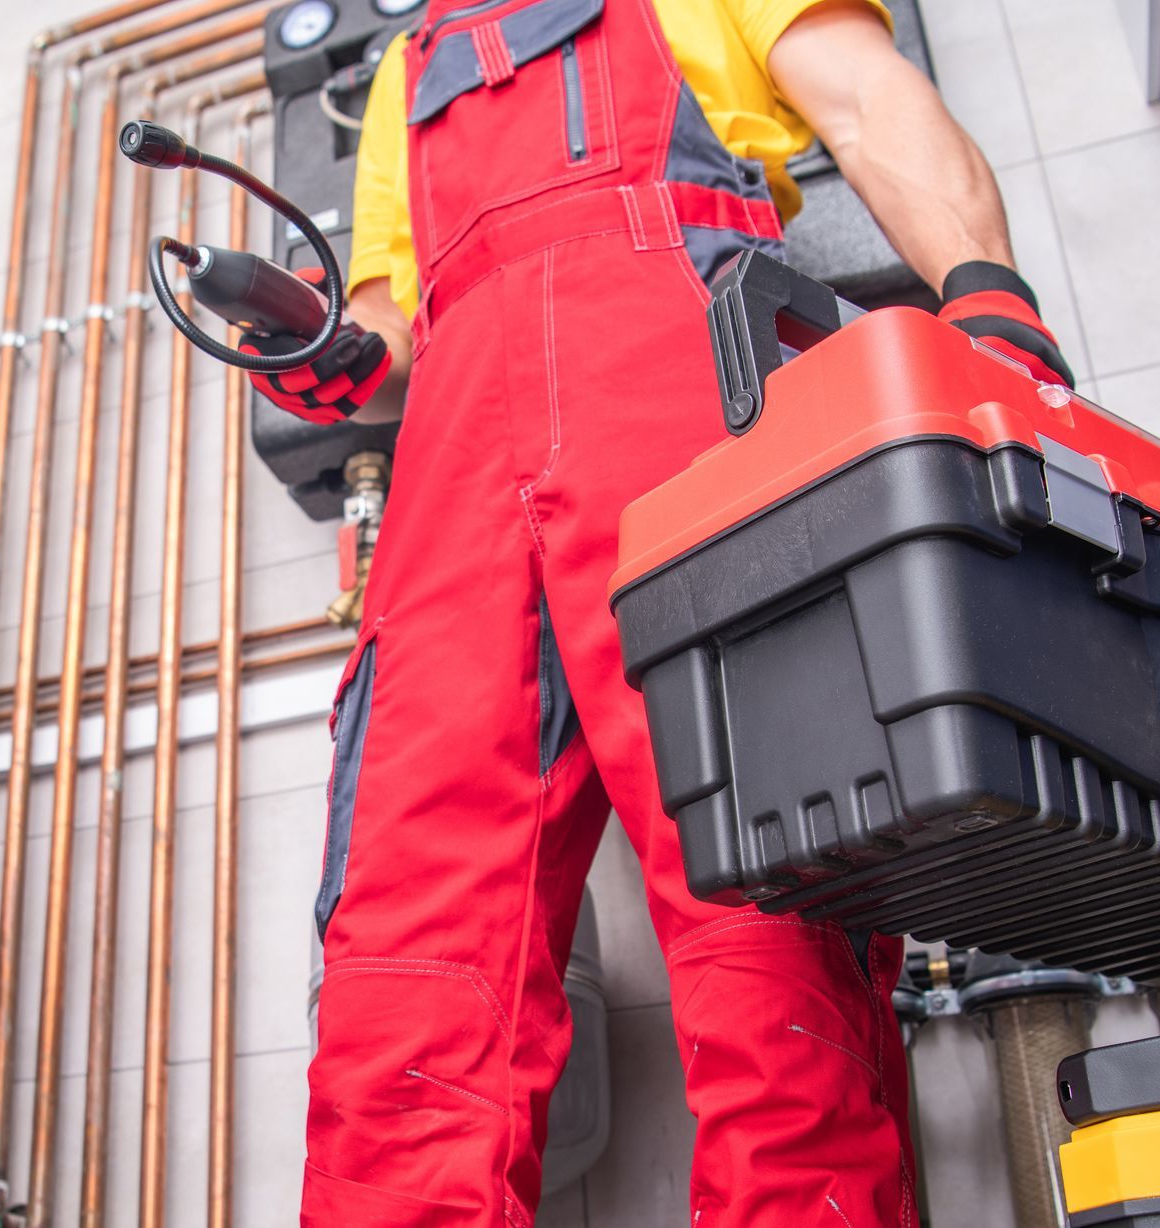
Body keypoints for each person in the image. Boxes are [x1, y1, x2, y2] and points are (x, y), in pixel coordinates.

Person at [246, 1, 1075, 1223]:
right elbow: (392, 316)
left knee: (767, 915)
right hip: (455, 458)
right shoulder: (401, 74)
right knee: (406, 960)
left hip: (685, 385)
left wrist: (988, 298)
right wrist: (331, 350)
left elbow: (864, 96)